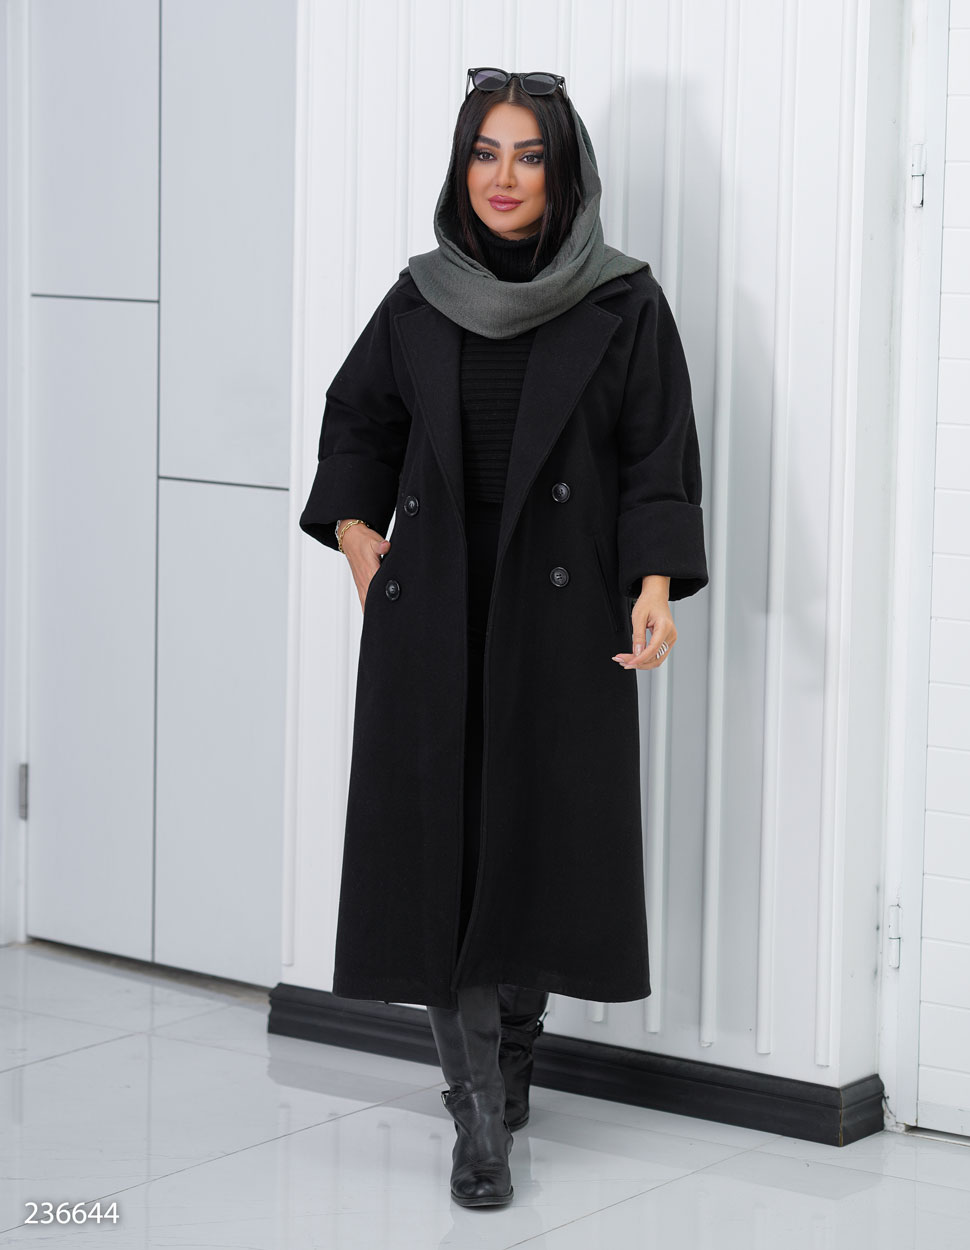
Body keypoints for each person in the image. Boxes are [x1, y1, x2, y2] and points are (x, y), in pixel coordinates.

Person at [299, 67, 709, 1209]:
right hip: (434, 608)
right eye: (485, 152)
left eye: (529, 155)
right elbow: (357, 420)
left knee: (535, 842)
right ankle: (477, 1109)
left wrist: (655, 585)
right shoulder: (421, 295)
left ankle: (512, 1053)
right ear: (461, 167)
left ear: (564, 172)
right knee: (444, 852)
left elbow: (657, 454)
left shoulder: (623, 300)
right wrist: (358, 538)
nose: (504, 177)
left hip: (562, 614)